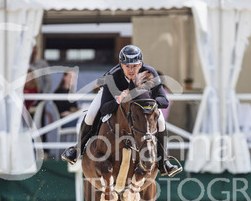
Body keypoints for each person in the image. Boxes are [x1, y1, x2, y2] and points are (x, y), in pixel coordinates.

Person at [61, 45, 182, 177]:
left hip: (142, 106)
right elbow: (105, 108)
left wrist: (149, 102)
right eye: (127, 66)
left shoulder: (150, 74)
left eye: (134, 66)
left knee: (161, 122)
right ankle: (77, 150)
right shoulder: (112, 76)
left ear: (140, 64)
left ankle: (164, 161)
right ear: (121, 65)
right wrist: (119, 99)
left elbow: (164, 101)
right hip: (113, 98)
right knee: (90, 115)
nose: (131, 70)